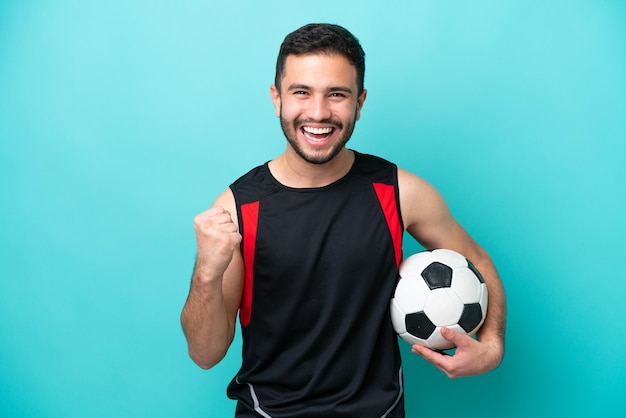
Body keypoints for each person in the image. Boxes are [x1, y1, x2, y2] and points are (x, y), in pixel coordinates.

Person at [181, 23, 506, 418]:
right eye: (301, 92)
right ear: (276, 98)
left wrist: (491, 346)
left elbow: (477, 260)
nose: (318, 113)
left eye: (337, 95)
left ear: (360, 102)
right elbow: (205, 354)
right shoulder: (237, 209)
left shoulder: (400, 192)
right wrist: (206, 275)